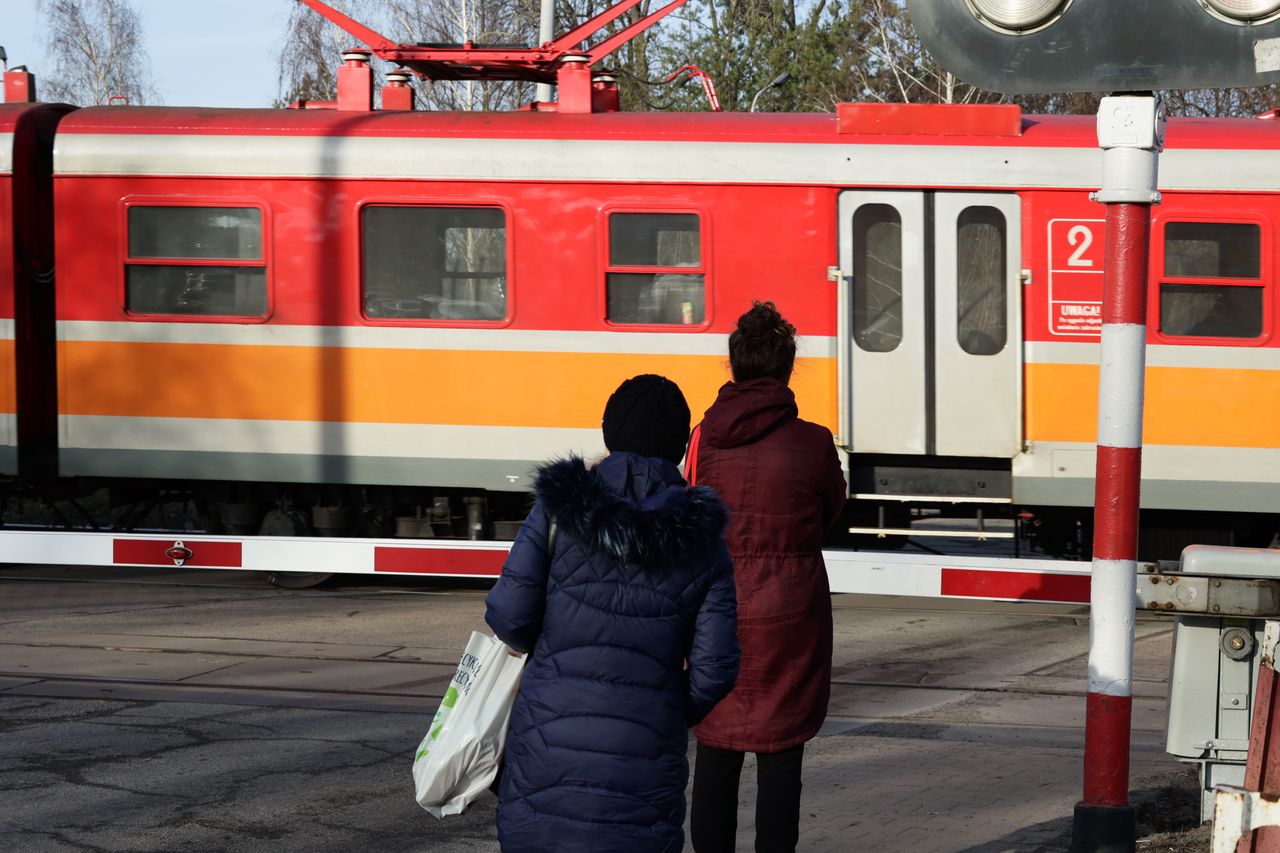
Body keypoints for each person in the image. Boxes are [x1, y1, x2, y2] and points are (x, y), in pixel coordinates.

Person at [485, 373, 741, 853]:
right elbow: (715, 669)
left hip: (547, 750)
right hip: (642, 768)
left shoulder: (558, 511)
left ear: (607, 432)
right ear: (682, 445)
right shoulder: (703, 541)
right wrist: (662, 711)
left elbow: (510, 617)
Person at [688, 301, 847, 853]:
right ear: (787, 368)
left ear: (733, 366)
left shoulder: (700, 439)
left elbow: (688, 516)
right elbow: (829, 512)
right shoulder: (814, 442)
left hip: (716, 608)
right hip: (790, 613)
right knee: (782, 751)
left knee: (715, 746)